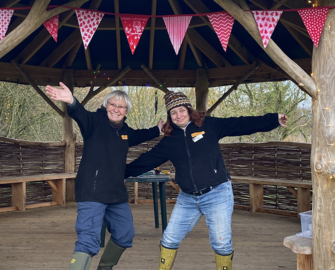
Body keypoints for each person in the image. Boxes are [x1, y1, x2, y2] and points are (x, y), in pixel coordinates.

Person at [125, 91, 288, 270]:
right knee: (169, 239)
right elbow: (146, 160)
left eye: (181, 110)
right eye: (173, 112)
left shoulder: (209, 125)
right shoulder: (169, 141)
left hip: (217, 193)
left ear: (189, 110)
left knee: (221, 243)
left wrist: (273, 120)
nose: (178, 115)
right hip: (187, 198)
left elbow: (240, 123)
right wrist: (120, 173)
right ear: (169, 116)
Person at [45, 82, 163, 270]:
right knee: (88, 241)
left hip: (116, 195)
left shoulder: (125, 131)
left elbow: (140, 135)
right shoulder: (94, 122)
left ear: (126, 111)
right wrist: (71, 101)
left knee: (125, 234)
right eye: (113, 104)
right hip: (92, 193)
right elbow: (79, 113)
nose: (116, 109)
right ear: (105, 106)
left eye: (121, 106)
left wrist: (157, 130)